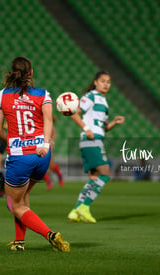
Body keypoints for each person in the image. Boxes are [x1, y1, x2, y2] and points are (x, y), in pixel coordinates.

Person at [0, 56, 70, 252]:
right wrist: (45, 143)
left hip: (20, 157)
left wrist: (12, 142)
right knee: (23, 198)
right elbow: (48, 122)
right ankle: (19, 242)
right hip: (41, 155)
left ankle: (50, 235)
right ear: (31, 73)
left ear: (12, 73)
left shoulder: (3, 95)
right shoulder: (43, 94)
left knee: (13, 203)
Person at [67, 70, 125, 223]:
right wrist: (86, 129)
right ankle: (85, 207)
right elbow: (74, 113)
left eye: (108, 82)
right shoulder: (91, 96)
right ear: (95, 82)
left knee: (93, 178)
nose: (106, 84)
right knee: (105, 174)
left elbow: (103, 127)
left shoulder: (102, 100)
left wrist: (114, 123)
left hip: (94, 139)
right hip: (91, 140)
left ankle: (75, 210)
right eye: (103, 81)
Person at [43, 116, 64, 190]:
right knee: (41, 167)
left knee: (50, 166)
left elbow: (53, 138)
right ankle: (50, 181)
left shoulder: (51, 127)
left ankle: (58, 176)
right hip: (41, 147)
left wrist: (51, 145)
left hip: (48, 148)